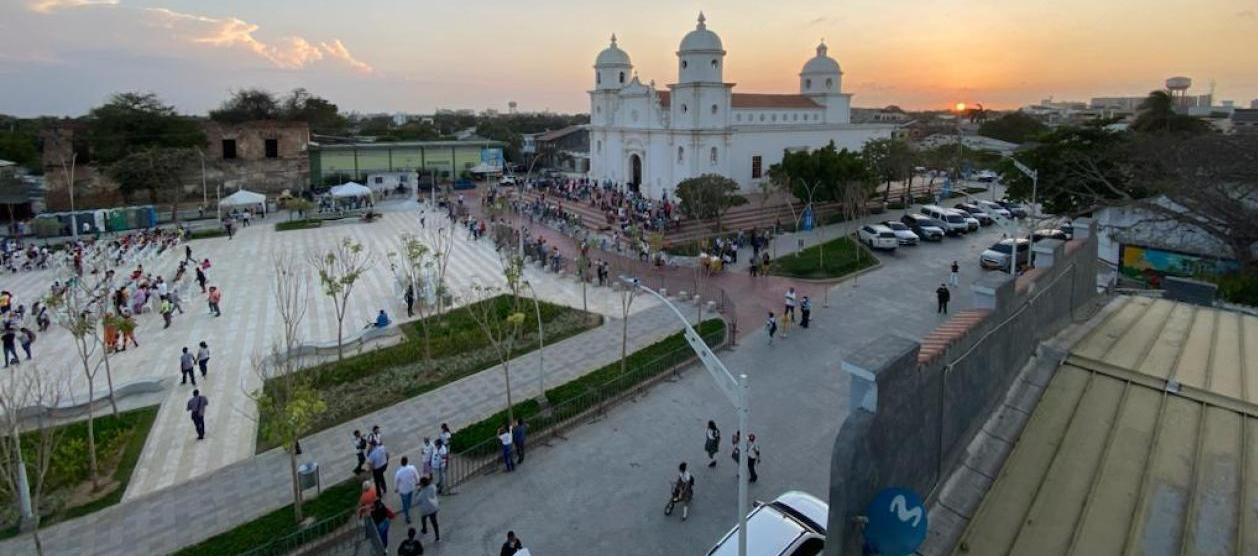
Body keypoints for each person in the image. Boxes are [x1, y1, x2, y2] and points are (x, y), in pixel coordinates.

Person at [395, 456, 421, 524]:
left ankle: (407, 516)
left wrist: (396, 488)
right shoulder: (412, 468)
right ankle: (408, 508)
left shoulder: (399, 472)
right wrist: (418, 483)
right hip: (411, 487)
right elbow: (417, 476)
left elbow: (396, 481)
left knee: (404, 503)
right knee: (409, 499)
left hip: (403, 490)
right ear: (407, 461)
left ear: (401, 463)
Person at [416, 476, 440, 541]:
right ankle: (437, 536)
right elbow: (435, 490)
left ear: (422, 484)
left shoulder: (422, 493)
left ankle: (424, 529)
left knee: (423, 518)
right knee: (434, 522)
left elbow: (417, 501)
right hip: (434, 507)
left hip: (425, 509)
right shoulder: (433, 487)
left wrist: (418, 491)